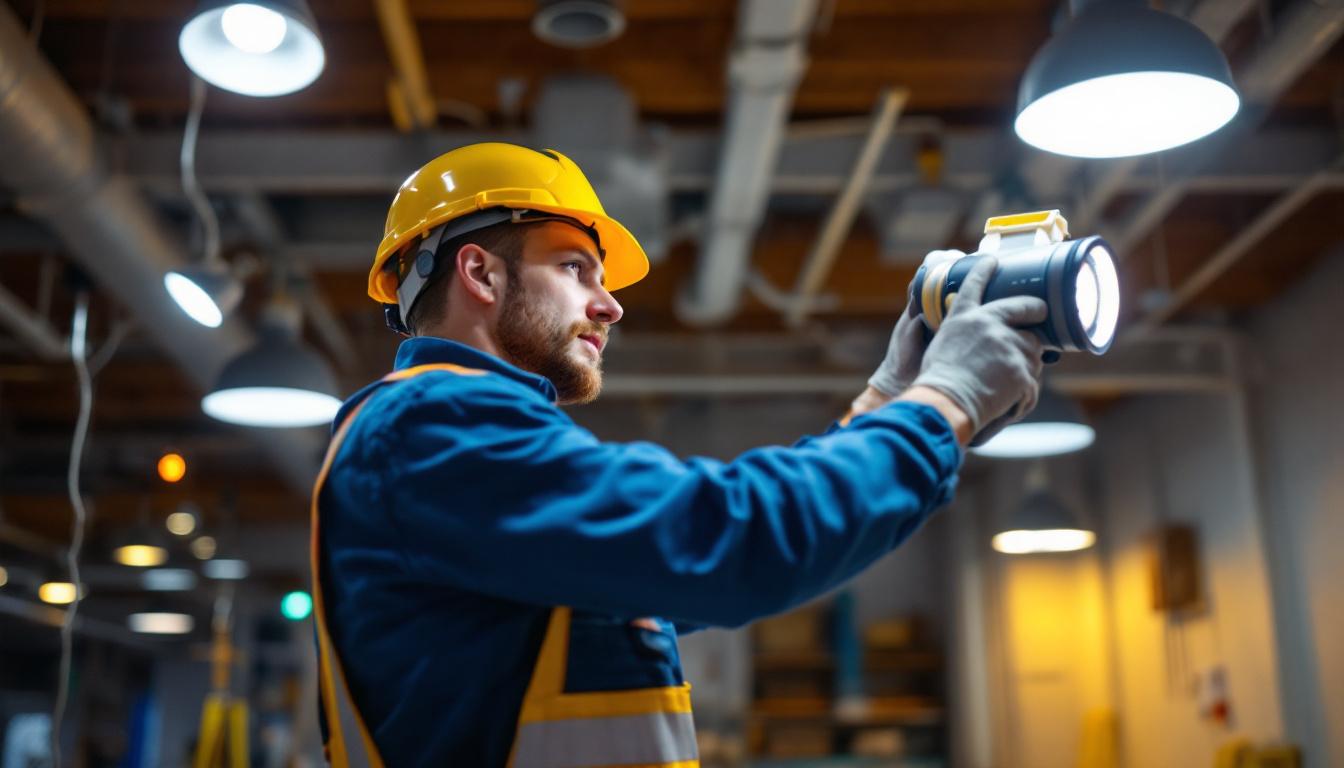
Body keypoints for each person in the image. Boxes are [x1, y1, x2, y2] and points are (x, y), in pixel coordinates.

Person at [309, 142, 1046, 767]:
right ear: (481, 274)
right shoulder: (434, 425)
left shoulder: (464, 452)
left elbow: (695, 558)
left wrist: (886, 403)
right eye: (575, 268)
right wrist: (942, 405)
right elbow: (727, 541)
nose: (611, 305)